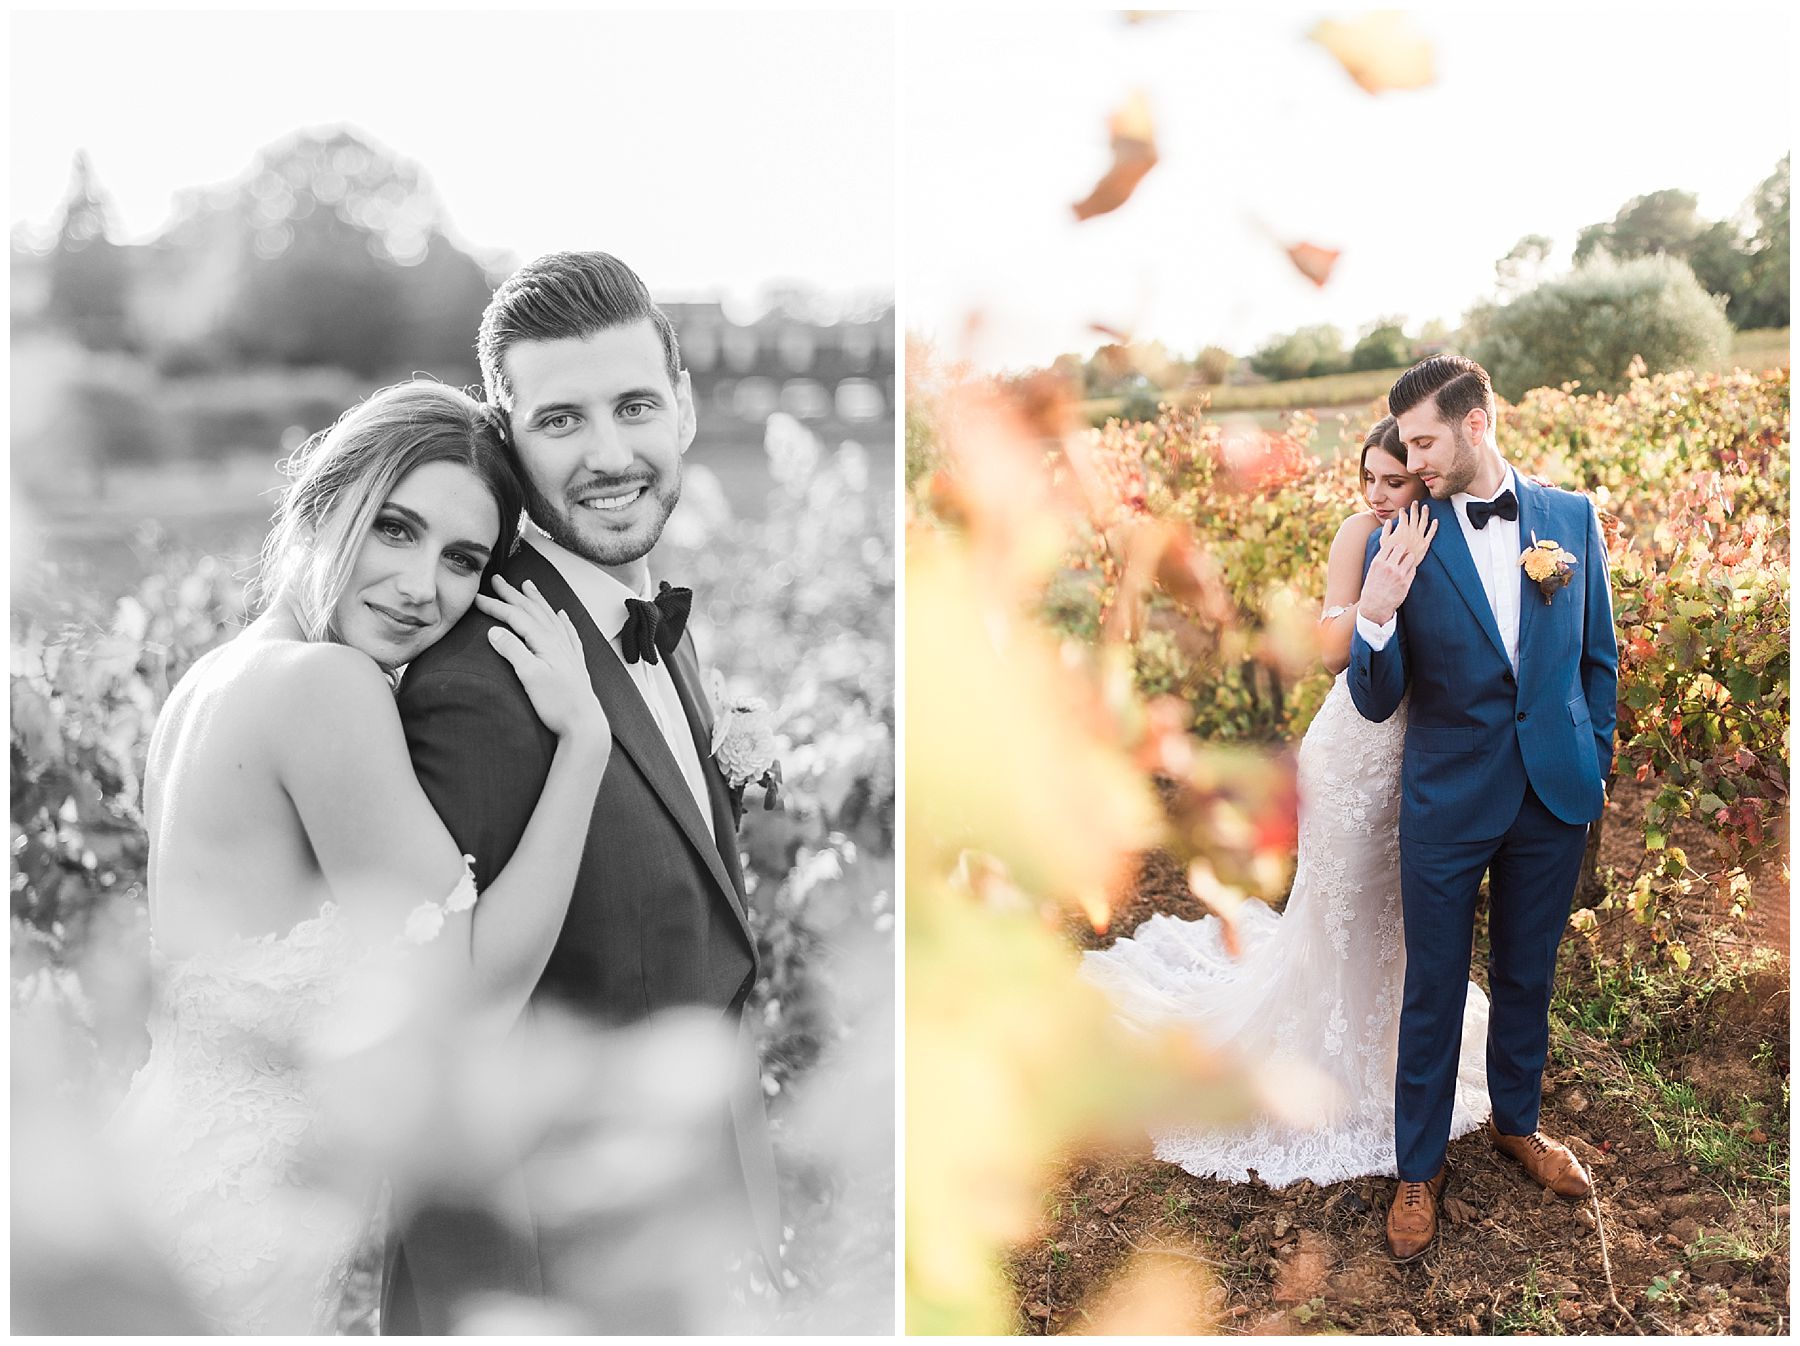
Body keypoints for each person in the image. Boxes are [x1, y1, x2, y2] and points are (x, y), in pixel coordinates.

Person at [107, 380, 614, 1333]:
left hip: (160, 1179)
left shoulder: (202, 684)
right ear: (316, 503)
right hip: (240, 1233)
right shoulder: (327, 688)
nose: (423, 587)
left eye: (462, 559)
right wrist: (584, 748)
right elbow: (466, 1000)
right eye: (394, 528)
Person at [382, 251, 782, 1335]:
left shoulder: (649, 615)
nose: (611, 455)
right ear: (507, 440)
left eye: (636, 404)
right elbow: (443, 1053)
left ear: (686, 405)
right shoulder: (478, 687)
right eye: (560, 421)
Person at [1080, 417, 1493, 1189]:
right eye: (1368, 478)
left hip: (1432, 752)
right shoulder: (1357, 535)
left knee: (1408, 913)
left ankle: (1405, 1056)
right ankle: (1326, 1067)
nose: (1376, 494)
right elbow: (1335, 645)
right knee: (1344, 906)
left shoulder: (1461, 528)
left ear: (1428, 477)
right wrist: (1378, 595)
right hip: (1358, 752)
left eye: (1394, 480)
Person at [1350, 354, 1616, 1261]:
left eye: (1423, 439)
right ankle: (1417, 1168)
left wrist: (1595, 766)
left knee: (1527, 975)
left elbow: (1597, 662)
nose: (1410, 457)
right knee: (1432, 990)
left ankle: (1517, 1122)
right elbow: (1376, 697)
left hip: (1553, 794)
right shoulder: (1408, 532)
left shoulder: (1572, 518)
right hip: (1448, 798)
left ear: (1474, 425)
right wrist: (1377, 613)